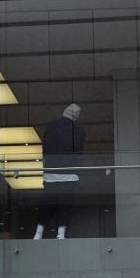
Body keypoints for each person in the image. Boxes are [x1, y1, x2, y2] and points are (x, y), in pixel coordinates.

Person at [33, 103, 85, 240]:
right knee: (65, 206)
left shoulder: (51, 128)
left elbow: (45, 148)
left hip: (51, 173)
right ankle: (60, 234)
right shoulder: (78, 131)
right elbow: (79, 151)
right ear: (76, 116)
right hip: (69, 174)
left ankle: (38, 233)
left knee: (47, 205)